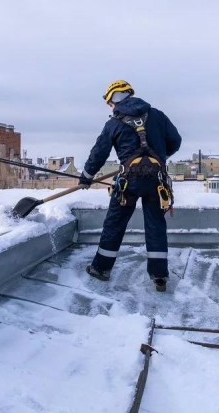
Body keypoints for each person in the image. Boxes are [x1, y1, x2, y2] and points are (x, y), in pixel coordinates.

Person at [79, 80, 182, 292]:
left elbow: (99, 153)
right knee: (155, 226)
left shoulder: (114, 123)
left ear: (114, 100)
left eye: (109, 103)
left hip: (128, 183)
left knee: (114, 224)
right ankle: (159, 276)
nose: (110, 108)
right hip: (157, 182)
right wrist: (160, 157)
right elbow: (176, 140)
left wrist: (87, 176)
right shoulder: (158, 116)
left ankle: (101, 269)